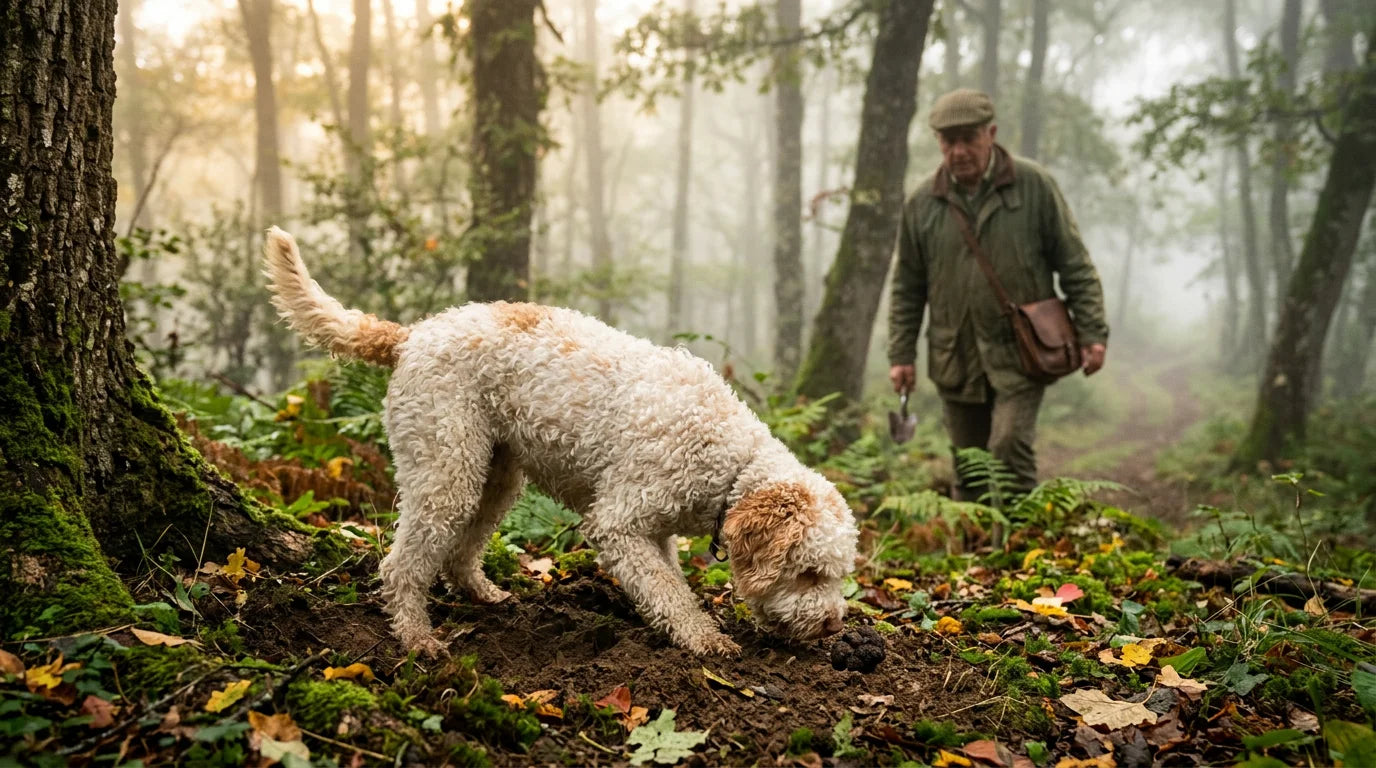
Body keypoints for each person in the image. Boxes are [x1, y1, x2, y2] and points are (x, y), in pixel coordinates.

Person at [887, 88, 1108, 500]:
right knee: (968, 465)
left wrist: (1093, 333)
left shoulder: (1033, 187)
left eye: (969, 138)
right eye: (948, 141)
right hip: (956, 354)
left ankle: (1019, 551)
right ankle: (974, 557)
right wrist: (901, 355)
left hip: (1022, 351)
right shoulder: (922, 204)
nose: (959, 151)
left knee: (1009, 448)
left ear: (991, 133)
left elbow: (1074, 263)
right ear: (938, 143)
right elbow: (907, 286)